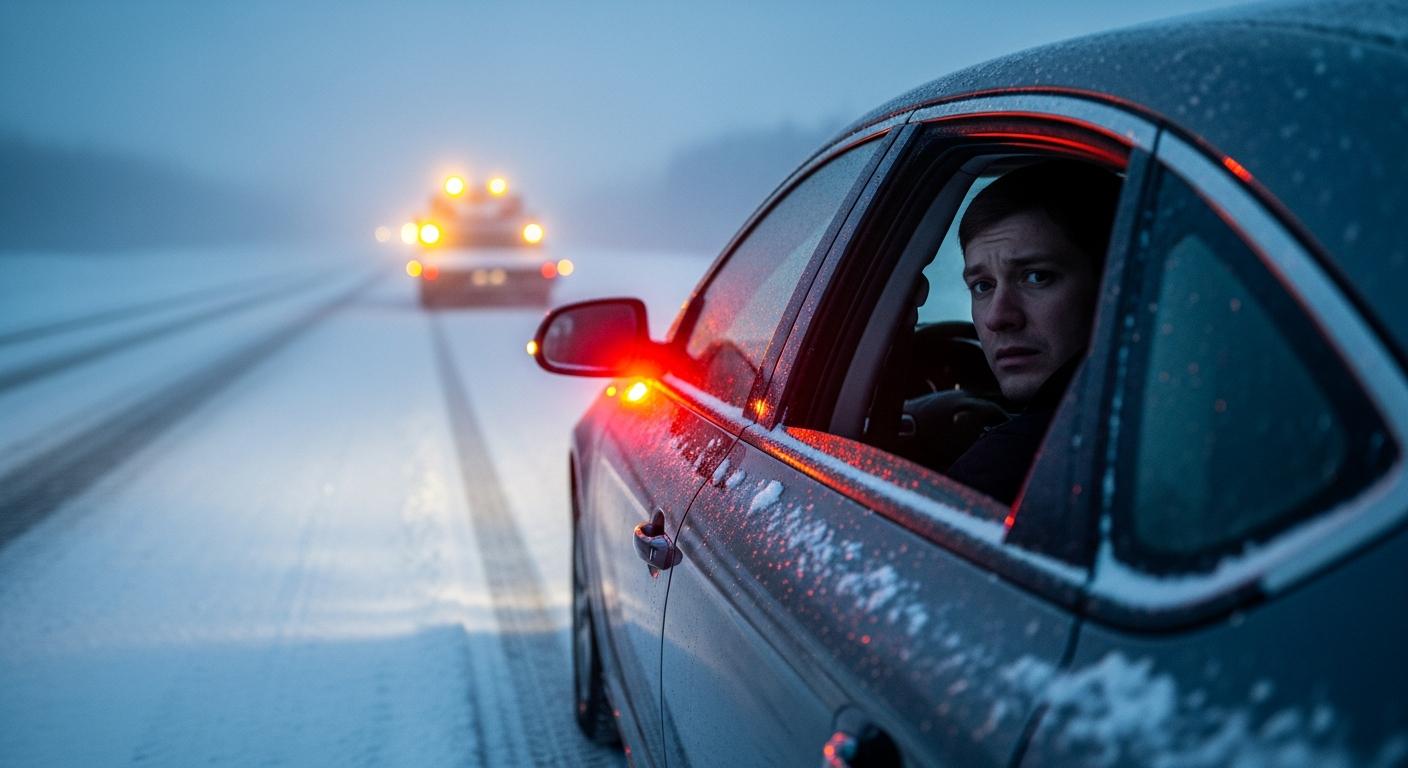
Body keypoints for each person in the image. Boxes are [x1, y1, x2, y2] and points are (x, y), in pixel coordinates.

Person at [939, 161, 1121, 504]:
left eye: (1036, 277)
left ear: (1111, 283)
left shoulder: (1000, 473)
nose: (997, 317)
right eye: (982, 286)